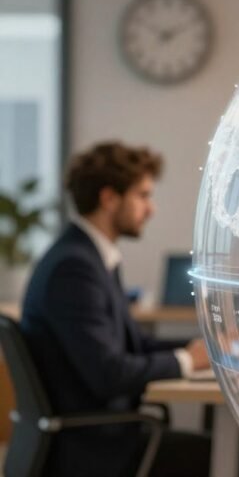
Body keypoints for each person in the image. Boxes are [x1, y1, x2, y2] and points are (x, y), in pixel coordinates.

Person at [20, 142, 212, 477]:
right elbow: (109, 374)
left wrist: (203, 347)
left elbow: (133, 343)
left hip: (92, 435)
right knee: (211, 453)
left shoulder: (89, 257)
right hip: (90, 448)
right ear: (109, 198)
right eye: (143, 195)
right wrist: (187, 360)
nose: (150, 209)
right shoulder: (74, 268)